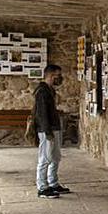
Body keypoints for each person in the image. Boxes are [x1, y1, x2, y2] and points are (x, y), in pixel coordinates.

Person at [33, 64, 70, 198]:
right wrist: (47, 132)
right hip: (46, 129)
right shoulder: (41, 91)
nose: (60, 78)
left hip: (54, 127)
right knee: (45, 157)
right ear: (50, 76)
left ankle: (53, 183)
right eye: (57, 76)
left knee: (55, 157)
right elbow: (41, 113)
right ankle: (42, 187)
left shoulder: (50, 90)